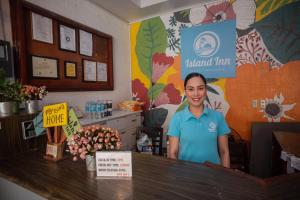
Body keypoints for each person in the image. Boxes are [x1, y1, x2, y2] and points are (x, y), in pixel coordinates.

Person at [167, 72, 230, 168]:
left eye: (200, 88)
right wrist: (177, 178)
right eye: (191, 89)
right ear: (186, 92)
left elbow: (224, 151)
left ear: (206, 90)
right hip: (186, 176)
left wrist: (226, 176)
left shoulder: (218, 117)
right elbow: (172, 153)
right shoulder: (177, 118)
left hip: (214, 176)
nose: (196, 94)